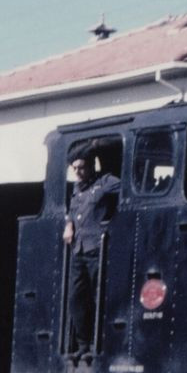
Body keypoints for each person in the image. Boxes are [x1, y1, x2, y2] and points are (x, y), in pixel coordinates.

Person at [63, 147, 120, 359]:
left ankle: (100, 344)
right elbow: (72, 212)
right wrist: (68, 224)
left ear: (90, 166)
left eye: (81, 167)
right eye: (74, 168)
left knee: (98, 297)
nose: (77, 171)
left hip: (97, 249)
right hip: (78, 249)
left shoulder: (105, 182)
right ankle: (83, 345)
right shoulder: (77, 190)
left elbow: (127, 190)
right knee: (77, 298)